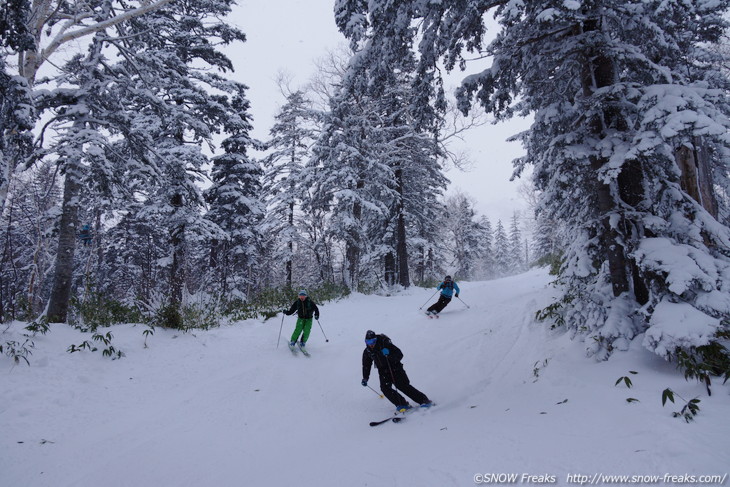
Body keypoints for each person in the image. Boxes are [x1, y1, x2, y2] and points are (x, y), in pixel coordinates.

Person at [361, 330, 432, 413]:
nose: (370, 344)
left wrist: (389, 355)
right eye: (368, 341)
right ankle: (402, 404)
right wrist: (365, 378)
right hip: (383, 371)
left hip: (395, 368)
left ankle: (424, 400)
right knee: (385, 388)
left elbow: (400, 354)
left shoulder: (385, 344)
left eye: (372, 341)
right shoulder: (367, 352)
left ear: (375, 339)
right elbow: (366, 365)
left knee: (402, 386)